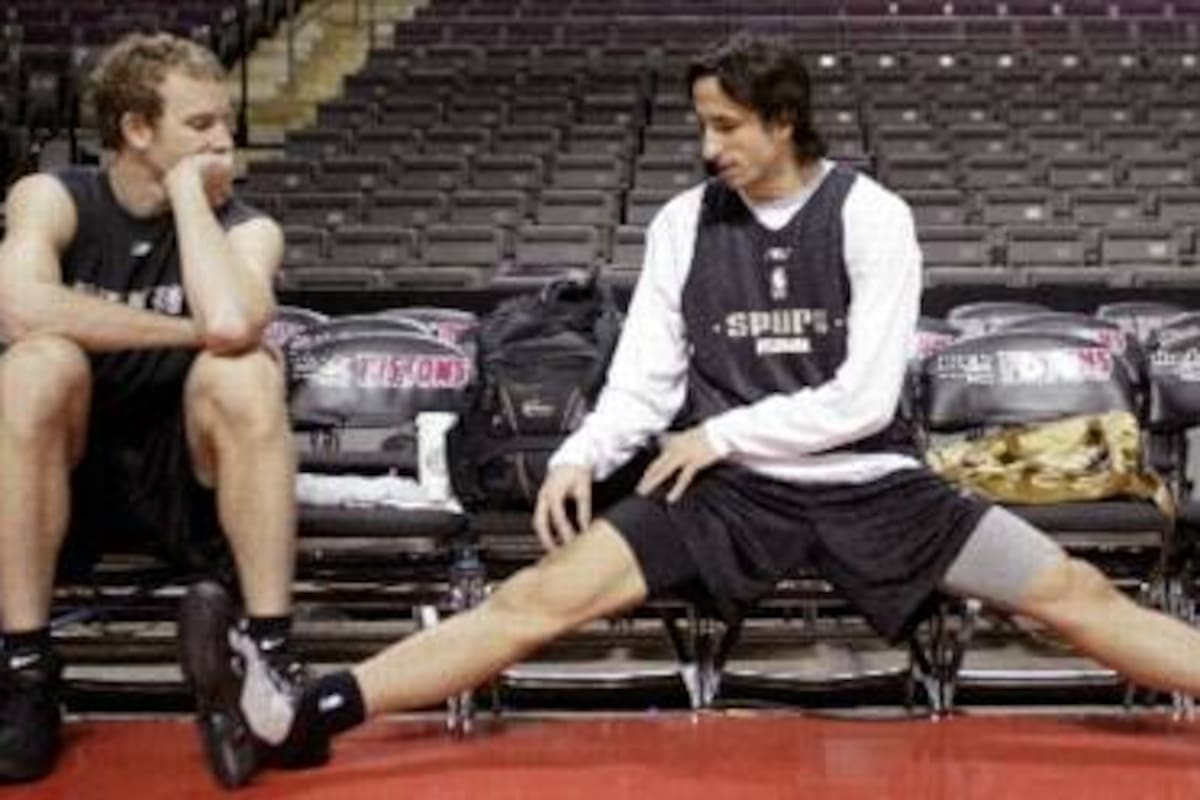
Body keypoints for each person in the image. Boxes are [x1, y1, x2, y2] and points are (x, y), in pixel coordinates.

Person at [182, 32, 1200, 787]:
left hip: (869, 480)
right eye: (701, 125)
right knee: (535, 601)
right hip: (722, 489)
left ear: (784, 122)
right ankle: (309, 711)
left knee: (1073, 591)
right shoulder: (683, 221)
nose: (709, 145)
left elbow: (861, 397)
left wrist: (719, 430)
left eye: (727, 126)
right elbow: (647, 377)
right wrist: (584, 451)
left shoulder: (872, 215)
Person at [0, 32, 313, 785]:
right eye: (199, 125)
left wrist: (184, 198)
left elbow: (234, 324)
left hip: (192, 479)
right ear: (138, 130)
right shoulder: (51, 196)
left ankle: (270, 656)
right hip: (67, 473)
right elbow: (16, 308)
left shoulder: (248, 225)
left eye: (225, 124)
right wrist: (183, 329)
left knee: (241, 373)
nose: (222, 141)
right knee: (37, 365)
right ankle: (25, 671)